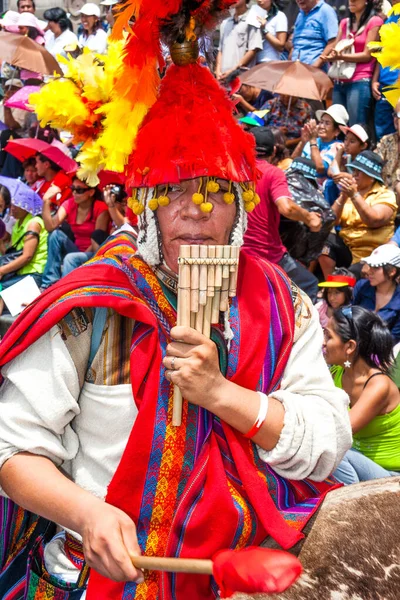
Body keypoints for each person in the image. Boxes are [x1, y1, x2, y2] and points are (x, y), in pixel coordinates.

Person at [0, 8, 351, 599]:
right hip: (107, 572)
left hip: (239, 567)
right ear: (150, 208)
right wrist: (87, 514)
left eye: (215, 192)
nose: (194, 210)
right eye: (174, 192)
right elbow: (13, 446)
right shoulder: (96, 300)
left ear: (242, 209)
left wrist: (223, 395)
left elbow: (326, 441)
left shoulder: (280, 301)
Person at [242, 127, 322, 302]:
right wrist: (310, 218)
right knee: (309, 283)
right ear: (275, 150)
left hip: (236, 254)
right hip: (267, 254)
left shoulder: (235, 172)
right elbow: (286, 208)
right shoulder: (273, 173)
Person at [323, 306, 400, 484]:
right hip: (358, 464)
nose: (323, 342)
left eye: (328, 336)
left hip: (391, 476)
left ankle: (356, 503)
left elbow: (341, 433)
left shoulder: (378, 385)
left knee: (331, 450)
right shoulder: (335, 373)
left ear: (350, 346)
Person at [319, 151, 397, 278]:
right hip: (348, 249)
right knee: (324, 237)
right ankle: (330, 286)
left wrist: (354, 196)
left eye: (358, 172)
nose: (353, 175)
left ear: (371, 176)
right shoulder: (350, 193)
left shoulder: (385, 195)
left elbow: (373, 220)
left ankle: (339, 288)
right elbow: (331, 221)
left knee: (350, 274)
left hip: (373, 254)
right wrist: (343, 197)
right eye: (353, 170)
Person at [40, 176, 109, 288]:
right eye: (73, 189)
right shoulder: (70, 204)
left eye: (79, 190)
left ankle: (65, 292)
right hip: (75, 249)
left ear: (91, 192)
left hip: (93, 252)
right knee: (55, 235)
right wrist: (46, 201)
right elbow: (50, 227)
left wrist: (80, 259)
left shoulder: (100, 208)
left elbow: (97, 240)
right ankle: (48, 283)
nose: (74, 193)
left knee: (71, 258)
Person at [322, 0, 383, 126]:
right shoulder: (344, 23)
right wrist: (330, 56)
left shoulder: (375, 21)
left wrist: (341, 56)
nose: (351, 1)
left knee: (356, 127)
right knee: (338, 126)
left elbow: (367, 55)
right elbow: (337, 47)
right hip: (340, 79)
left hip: (360, 80)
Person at [0, 179, 47, 314]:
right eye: (11, 205)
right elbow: (9, 255)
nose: (12, 208)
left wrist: (2, 271)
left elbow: (26, 257)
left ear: (26, 206)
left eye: (16, 205)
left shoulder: (33, 223)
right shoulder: (17, 225)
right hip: (19, 273)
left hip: (33, 274)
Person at [292, 105, 348, 189]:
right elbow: (293, 160)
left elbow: (319, 168)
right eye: (321, 122)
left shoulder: (337, 146)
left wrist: (312, 140)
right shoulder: (314, 140)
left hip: (316, 189)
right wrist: (302, 142)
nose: (321, 126)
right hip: (299, 182)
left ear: (337, 131)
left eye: (327, 123)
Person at [352, 244, 400, 342]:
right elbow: (348, 313)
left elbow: (395, 336)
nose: (369, 271)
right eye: (370, 266)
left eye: (376, 267)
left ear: (392, 271)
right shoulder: (361, 286)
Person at [371, 0, 400, 141]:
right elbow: (381, 52)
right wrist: (375, 80)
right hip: (384, 85)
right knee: (383, 136)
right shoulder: (390, 17)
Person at [215, 0, 263, 81]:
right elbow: (220, 50)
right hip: (222, 77)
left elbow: (253, 49)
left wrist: (233, 70)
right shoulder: (225, 23)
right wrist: (217, 70)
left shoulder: (253, 20)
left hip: (240, 78)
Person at [291, 0, 338, 70]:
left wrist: (314, 67)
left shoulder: (326, 11)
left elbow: (332, 42)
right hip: (296, 69)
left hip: (315, 72)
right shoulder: (300, 15)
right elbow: (296, 44)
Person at [376, 98, 400, 209]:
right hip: (383, 195)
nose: (395, 119)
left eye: (399, 115)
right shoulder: (387, 140)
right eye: (394, 115)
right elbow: (374, 162)